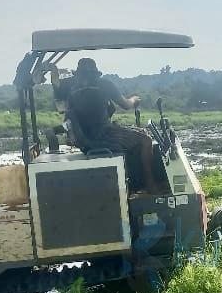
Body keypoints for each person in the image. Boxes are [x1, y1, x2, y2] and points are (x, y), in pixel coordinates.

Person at [54, 57, 161, 192]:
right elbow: (126, 105)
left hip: (85, 141)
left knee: (139, 133)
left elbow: (62, 103)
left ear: (79, 74)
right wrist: (134, 99)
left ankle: (133, 183)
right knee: (146, 140)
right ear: (95, 74)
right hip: (105, 135)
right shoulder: (104, 85)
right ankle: (150, 185)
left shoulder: (71, 90)